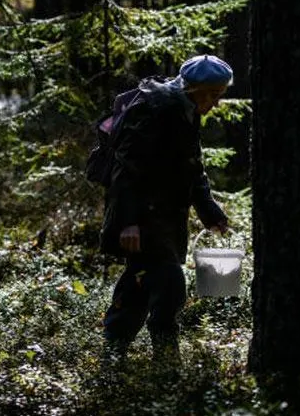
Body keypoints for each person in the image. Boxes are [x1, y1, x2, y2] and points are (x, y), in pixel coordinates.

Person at [98, 54, 233, 373]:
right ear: (193, 88)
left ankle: (112, 358)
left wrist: (209, 211)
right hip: (144, 218)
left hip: (164, 217)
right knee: (170, 286)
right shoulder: (158, 109)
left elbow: (191, 167)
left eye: (220, 95)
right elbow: (126, 167)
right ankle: (167, 368)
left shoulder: (185, 110)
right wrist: (129, 222)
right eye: (211, 94)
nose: (215, 102)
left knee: (138, 286)